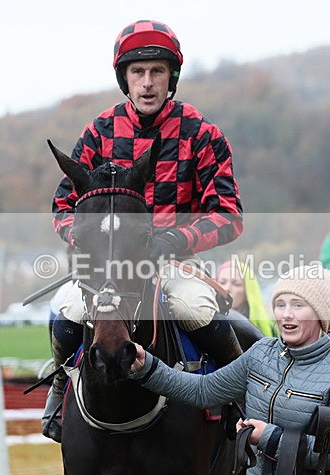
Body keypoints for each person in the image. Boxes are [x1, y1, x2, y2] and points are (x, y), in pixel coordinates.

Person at [44, 20, 244, 442]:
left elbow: (229, 215)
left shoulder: (202, 133)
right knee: (63, 314)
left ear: (171, 76)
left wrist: (177, 239)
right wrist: (86, 239)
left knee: (197, 311)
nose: (148, 82)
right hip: (109, 267)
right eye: (138, 72)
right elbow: (63, 206)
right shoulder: (99, 131)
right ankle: (62, 386)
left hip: (173, 264)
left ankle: (239, 404)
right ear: (125, 79)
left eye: (157, 71)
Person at [131, 263, 330, 475]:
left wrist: (269, 437)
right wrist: (148, 368)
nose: (286, 315)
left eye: (298, 305)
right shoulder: (260, 354)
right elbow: (204, 390)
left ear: (321, 312)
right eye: (280, 304)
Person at [216, 259, 276, 337]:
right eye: (222, 282)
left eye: (236, 284)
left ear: (248, 292)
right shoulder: (207, 323)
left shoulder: (272, 328)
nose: (227, 288)